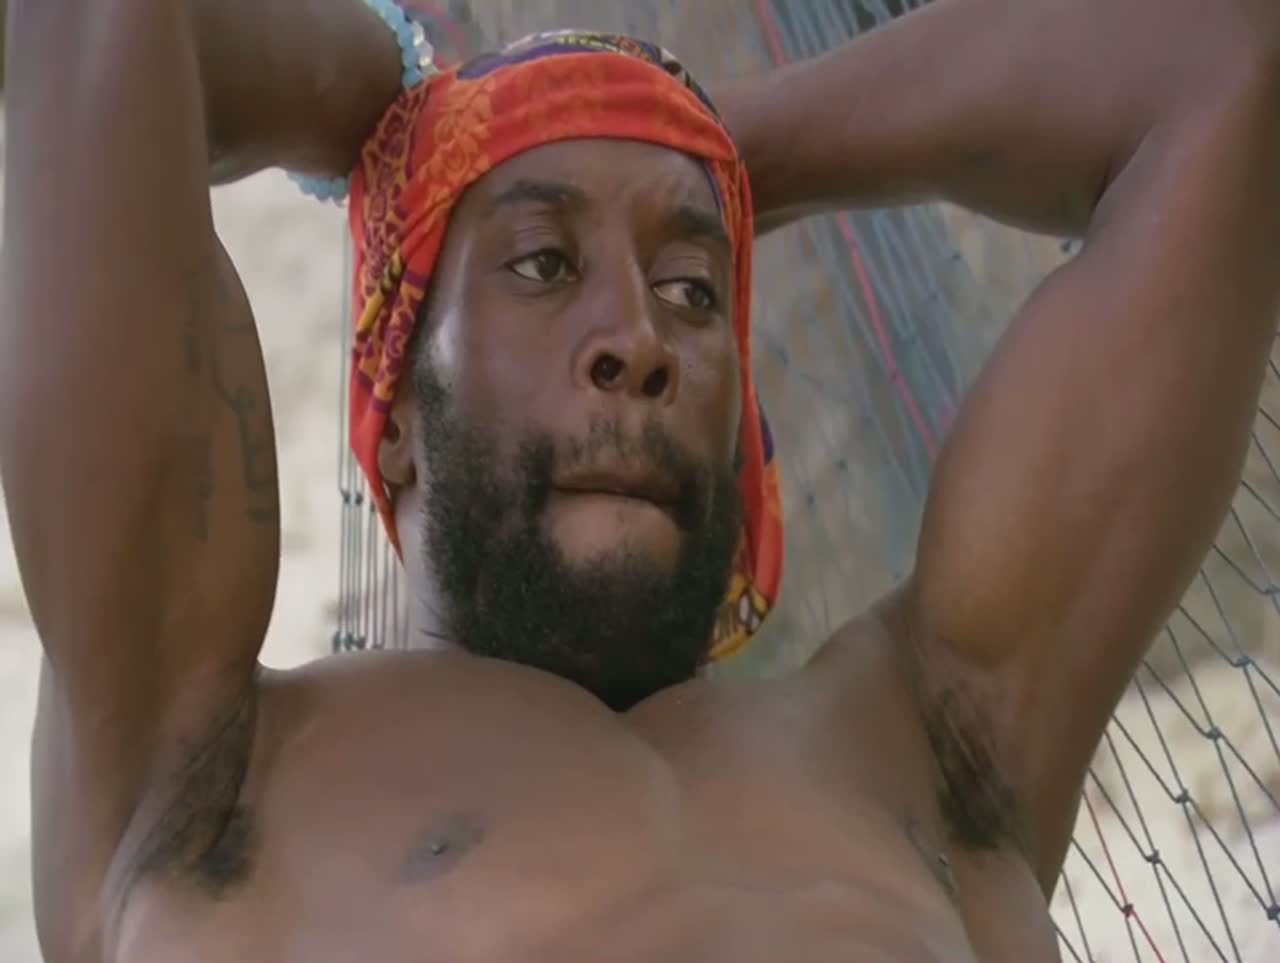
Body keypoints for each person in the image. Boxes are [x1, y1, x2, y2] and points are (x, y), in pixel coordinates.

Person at [3, 0, 1279, 960]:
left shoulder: (928, 748)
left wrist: (685, 132)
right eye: (541, 264)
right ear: (393, 422)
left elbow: (1221, 71)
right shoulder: (198, 768)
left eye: (690, 288)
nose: (638, 338)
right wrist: (394, 105)